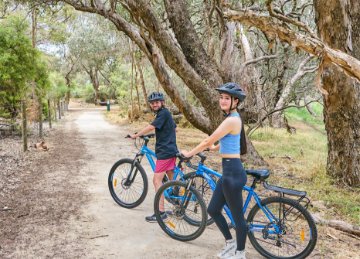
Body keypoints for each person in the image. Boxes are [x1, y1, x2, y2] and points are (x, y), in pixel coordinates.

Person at [181, 83, 247, 259]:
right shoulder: (232, 118)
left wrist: (189, 153)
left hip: (233, 173)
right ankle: (230, 244)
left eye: (227, 98)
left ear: (236, 101)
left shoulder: (231, 120)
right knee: (213, 209)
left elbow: (206, 141)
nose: (223, 101)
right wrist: (214, 148)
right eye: (221, 97)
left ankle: (240, 253)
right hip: (229, 172)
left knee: (238, 218)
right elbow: (228, 142)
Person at [130, 91, 178, 222]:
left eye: (157, 102)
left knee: (157, 181)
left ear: (162, 102)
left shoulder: (163, 114)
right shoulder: (165, 114)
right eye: (152, 103)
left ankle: (161, 213)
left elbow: (151, 127)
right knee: (171, 179)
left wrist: (136, 135)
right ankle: (178, 202)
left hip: (165, 152)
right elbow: (174, 128)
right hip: (171, 150)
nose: (154, 104)